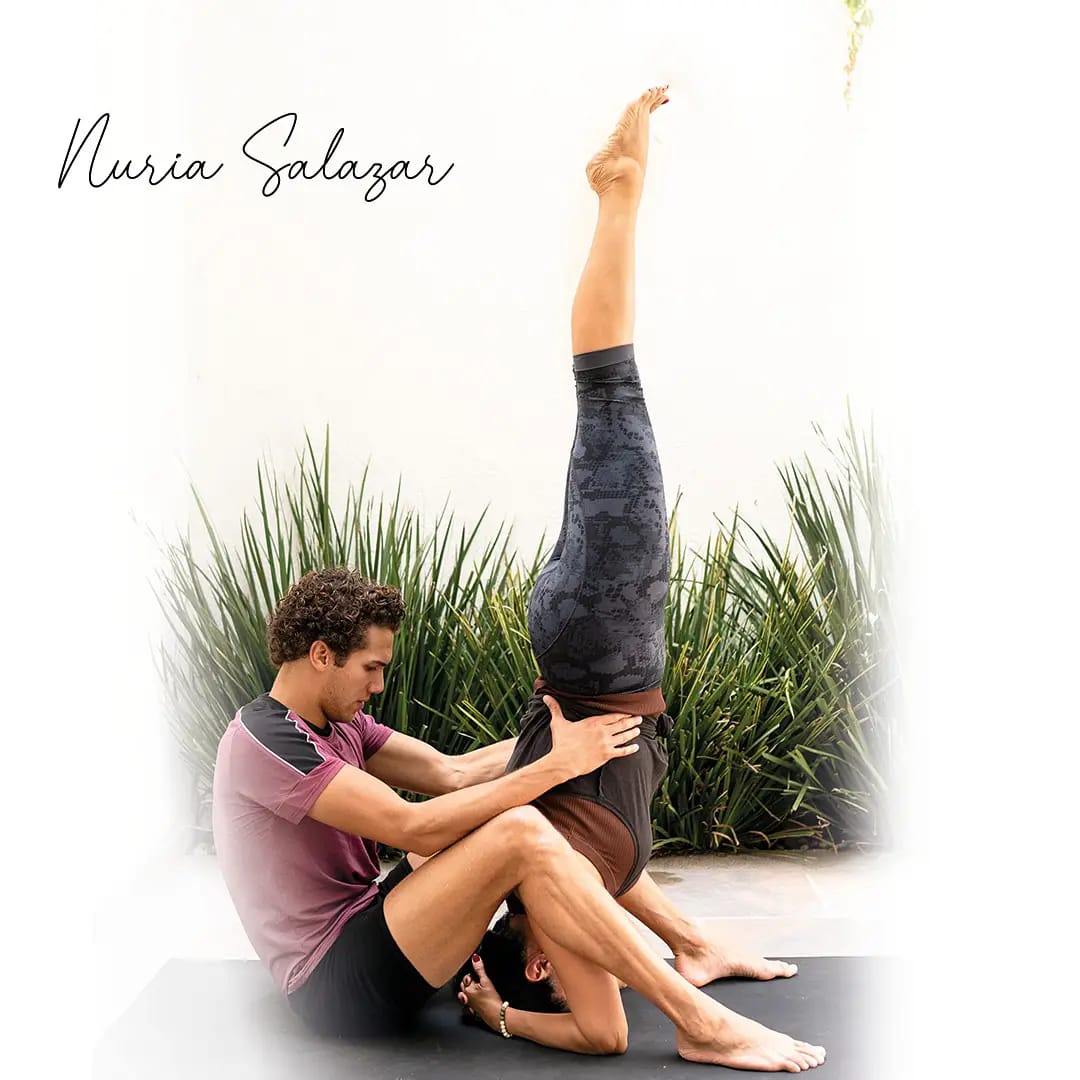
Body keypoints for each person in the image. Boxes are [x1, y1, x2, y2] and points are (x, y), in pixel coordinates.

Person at [212, 85, 825, 1071]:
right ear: (318, 655)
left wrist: (557, 743)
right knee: (529, 829)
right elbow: (411, 821)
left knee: (533, 815)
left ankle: (694, 958)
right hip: (338, 982)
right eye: (369, 668)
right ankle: (700, 1020)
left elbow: (457, 775)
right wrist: (552, 762)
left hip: (385, 936)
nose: (380, 685)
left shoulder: (338, 726)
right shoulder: (267, 743)